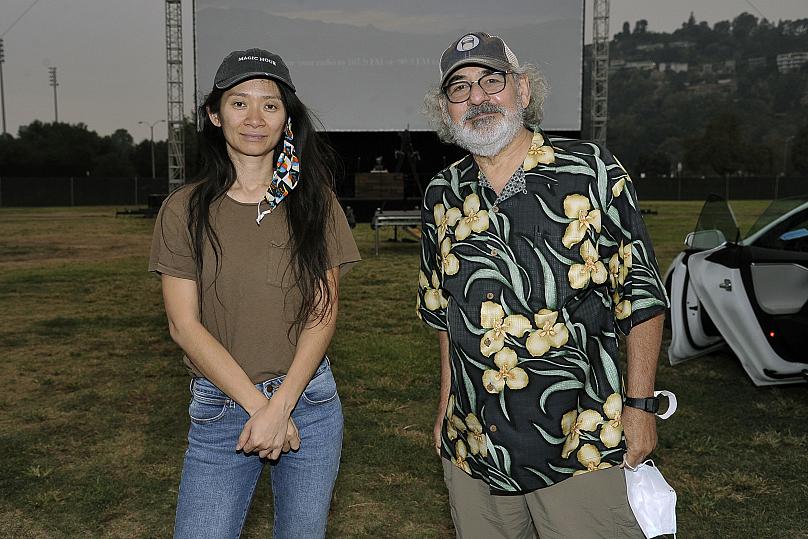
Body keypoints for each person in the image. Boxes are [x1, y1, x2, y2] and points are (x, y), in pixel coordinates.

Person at [417, 32, 669, 538]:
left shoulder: (592, 172)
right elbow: (443, 310)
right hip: (476, 444)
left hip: (580, 441)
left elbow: (640, 297)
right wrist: (446, 401)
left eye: (493, 81)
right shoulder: (442, 194)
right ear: (446, 111)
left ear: (523, 91)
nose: (478, 98)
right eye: (460, 89)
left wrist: (641, 408)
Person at [149, 48, 360, 538]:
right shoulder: (183, 211)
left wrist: (281, 404)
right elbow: (184, 326)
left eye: (270, 105)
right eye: (239, 103)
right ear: (213, 114)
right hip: (222, 405)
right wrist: (259, 408)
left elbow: (323, 311)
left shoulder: (314, 203)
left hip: (307, 402)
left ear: (287, 119)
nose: (254, 118)